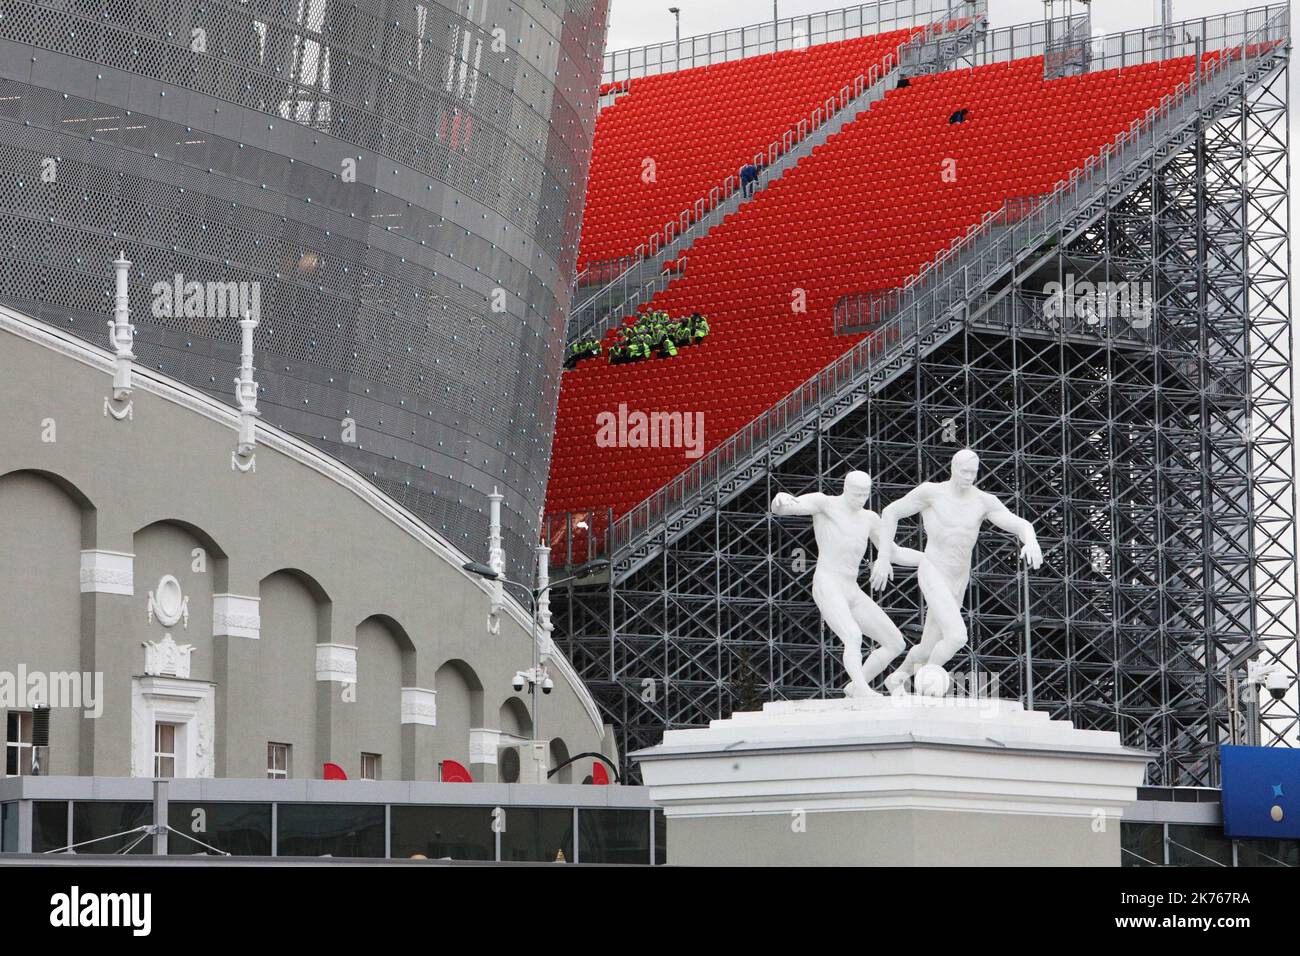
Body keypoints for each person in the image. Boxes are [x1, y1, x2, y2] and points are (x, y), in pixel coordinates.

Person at [871, 449, 1042, 695]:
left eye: (973, 473)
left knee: (928, 645)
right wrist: (884, 557)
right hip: (933, 570)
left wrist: (1031, 540)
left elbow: (1018, 523)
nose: (969, 478)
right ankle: (926, 681)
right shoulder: (932, 493)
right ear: (953, 468)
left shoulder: (983, 501)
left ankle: (897, 678)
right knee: (956, 636)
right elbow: (890, 512)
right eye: (964, 472)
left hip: (958, 577)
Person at [771, 472, 922, 698]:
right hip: (828, 582)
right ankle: (862, 689)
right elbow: (788, 506)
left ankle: (854, 686)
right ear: (845, 488)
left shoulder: (869, 518)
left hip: (851, 588)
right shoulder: (826, 504)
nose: (860, 499)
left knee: (895, 642)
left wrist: (931, 559)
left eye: (865, 494)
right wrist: (780, 499)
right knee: (852, 635)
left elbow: (895, 553)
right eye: (856, 494)